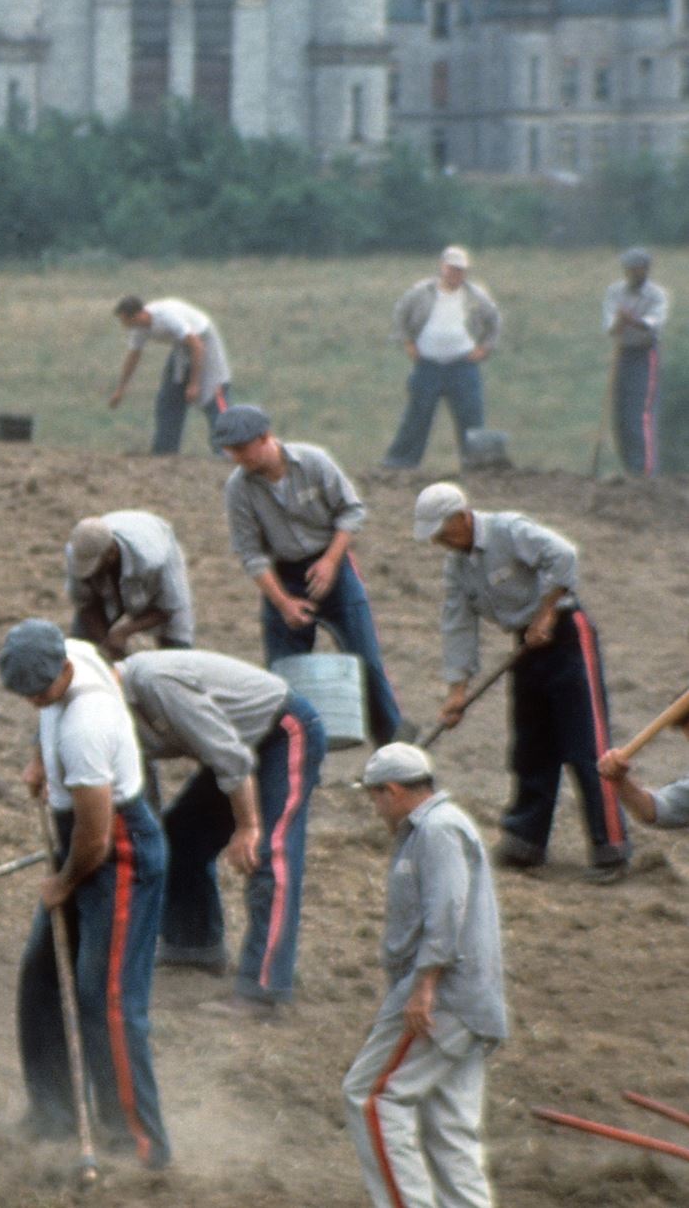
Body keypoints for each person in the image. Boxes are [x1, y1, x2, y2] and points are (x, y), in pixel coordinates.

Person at [0, 620, 170, 1170]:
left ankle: (137, 1146)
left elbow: (95, 838)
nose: (34, 702)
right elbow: (45, 714)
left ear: (63, 672)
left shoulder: (87, 725)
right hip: (80, 838)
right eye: (25, 696)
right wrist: (38, 758)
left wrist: (64, 883)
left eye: (41, 694)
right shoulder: (67, 653)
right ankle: (54, 1114)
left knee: (107, 1002)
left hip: (117, 853)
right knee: (42, 976)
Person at [414, 482, 628, 881]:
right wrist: (456, 693)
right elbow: (457, 626)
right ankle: (526, 840)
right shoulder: (457, 567)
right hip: (526, 647)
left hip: (566, 634)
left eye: (443, 533)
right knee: (532, 745)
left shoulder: (509, 530)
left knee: (586, 744)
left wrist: (546, 614)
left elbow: (563, 555)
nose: (439, 543)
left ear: (462, 517)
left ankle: (610, 847)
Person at [116, 648, 325, 1015]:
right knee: (179, 836)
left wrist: (247, 826)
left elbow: (229, 757)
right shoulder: (108, 711)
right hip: (237, 749)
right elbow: (140, 785)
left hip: (282, 732)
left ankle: (262, 990)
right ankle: (194, 946)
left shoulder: (155, 683)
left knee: (269, 855)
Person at [341, 743, 504, 1208]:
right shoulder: (441, 827)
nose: (375, 809)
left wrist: (424, 986)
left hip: (443, 999)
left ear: (391, 791)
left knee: (371, 1097)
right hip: (472, 1002)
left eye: (374, 798)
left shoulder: (437, 829)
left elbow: (447, 910)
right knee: (451, 1127)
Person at [218, 404, 407, 746]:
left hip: (334, 564)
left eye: (242, 448)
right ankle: (294, 755)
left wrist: (332, 561)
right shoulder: (239, 489)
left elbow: (351, 511)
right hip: (283, 575)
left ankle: (394, 752)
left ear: (265, 438)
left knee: (367, 662)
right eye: (230, 451)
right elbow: (251, 554)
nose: (236, 457)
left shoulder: (314, 461)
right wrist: (283, 603)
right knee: (282, 674)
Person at [382, 246, 501, 471]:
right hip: (428, 365)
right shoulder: (421, 292)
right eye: (452, 269)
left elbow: (494, 321)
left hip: (462, 365)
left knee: (471, 417)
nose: (456, 274)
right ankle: (400, 463)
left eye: (460, 270)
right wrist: (408, 342)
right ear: (442, 267)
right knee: (418, 415)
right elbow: (401, 314)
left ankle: (478, 468)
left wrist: (485, 348)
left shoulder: (475, 295)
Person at [110, 296, 232, 455]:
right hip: (181, 347)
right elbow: (133, 356)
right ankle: (164, 454)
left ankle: (227, 453)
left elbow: (197, 345)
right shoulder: (139, 328)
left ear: (137, 315)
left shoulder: (167, 317)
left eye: (125, 320)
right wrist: (121, 389)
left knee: (215, 395)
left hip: (203, 341)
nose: (124, 326)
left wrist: (194, 384)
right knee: (169, 399)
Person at [64, 511, 195, 657]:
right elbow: (85, 605)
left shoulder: (152, 560)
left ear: (111, 554)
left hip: (157, 543)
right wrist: (105, 643)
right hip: (119, 552)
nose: (88, 572)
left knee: (177, 652)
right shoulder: (78, 553)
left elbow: (169, 607)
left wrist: (123, 632)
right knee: (80, 649)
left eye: (94, 566)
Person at [603, 247, 668, 478]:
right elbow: (610, 327)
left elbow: (652, 325)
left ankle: (645, 471)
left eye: (636, 268)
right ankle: (630, 468)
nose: (632, 272)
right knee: (621, 414)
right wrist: (620, 322)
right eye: (628, 268)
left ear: (645, 270)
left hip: (645, 353)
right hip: (623, 353)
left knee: (640, 413)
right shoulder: (615, 292)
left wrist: (633, 320)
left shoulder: (656, 295)